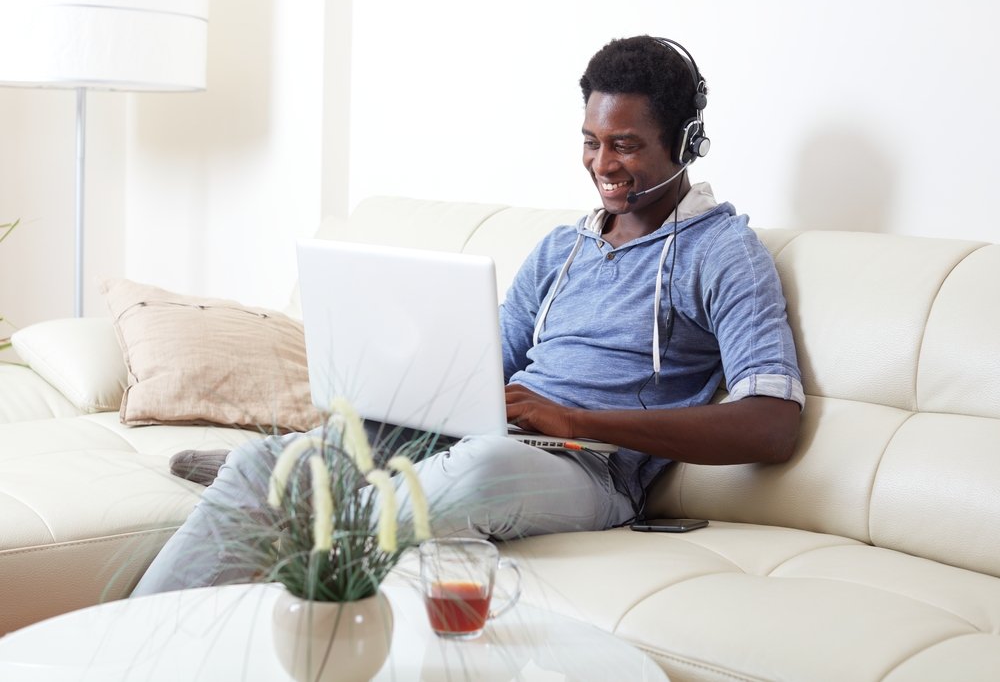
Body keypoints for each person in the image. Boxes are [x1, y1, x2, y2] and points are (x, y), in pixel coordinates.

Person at [132, 35, 803, 595]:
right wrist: (404, 390)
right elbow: (488, 363)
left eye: (625, 145)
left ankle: (310, 490)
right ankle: (125, 645)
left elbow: (772, 425)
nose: (602, 163)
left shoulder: (723, 252)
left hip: (591, 472)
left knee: (482, 467)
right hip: (487, 439)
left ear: (685, 143)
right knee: (265, 465)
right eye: (591, 140)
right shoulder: (563, 247)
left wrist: (575, 421)